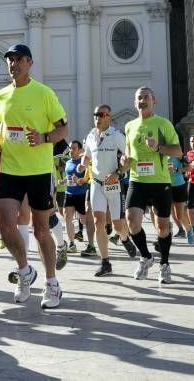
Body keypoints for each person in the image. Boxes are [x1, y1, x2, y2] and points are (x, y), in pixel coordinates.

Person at [0, 43, 68, 309]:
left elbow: (63, 130)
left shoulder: (44, 93)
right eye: (10, 60)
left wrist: (44, 137)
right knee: (5, 225)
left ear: (30, 63)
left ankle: (52, 284)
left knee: (41, 230)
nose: (13, 64)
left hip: (38, 171)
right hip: (11, 169)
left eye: (19, 59)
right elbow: (4, 125)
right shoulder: (1, 95)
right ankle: (25, 273)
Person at [120, 87, 182, 284]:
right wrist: (124, 162)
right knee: (131, 221)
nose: (142, 100)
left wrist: (158, 147)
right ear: (134, 102)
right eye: (139, 97)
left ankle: (164, 264)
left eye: (146, 97)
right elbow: (128, 154)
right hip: (137, 181)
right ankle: (146, 257)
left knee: (162, 227)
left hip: (160, 182)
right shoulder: (129, 126)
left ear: (154, 101)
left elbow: (178, 151)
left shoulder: (163, 124)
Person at [80, 105, 138, 277]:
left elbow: (129, 158)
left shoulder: (116, 136)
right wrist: (83, 161)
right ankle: (105, 262)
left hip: (113, 184)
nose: (97, 117)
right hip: (96, 183)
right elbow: (88, 155)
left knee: (118, 224)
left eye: (101, 114)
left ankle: (125, 238)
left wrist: (118, 173)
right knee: (98, 221)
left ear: (109, 117)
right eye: (95, 114)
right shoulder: (91, 135)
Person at [64, 141, 94, 255]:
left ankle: (91, 242)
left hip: (81, 194)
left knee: (84, 220)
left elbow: (86, 178)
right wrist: (64, 181)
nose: (71, 150)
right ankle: (72, 243)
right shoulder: (67, 162)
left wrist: (80, 181)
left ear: (80, 150)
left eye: (74, 148)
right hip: (69, 193)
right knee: (67, 217)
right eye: (70, 148)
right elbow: (68, 177)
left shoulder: (84, 162)